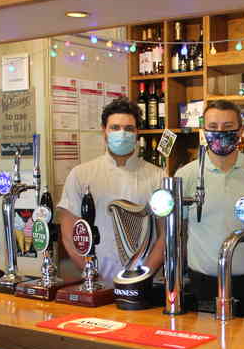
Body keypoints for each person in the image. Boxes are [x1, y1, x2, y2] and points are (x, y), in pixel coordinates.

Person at [175, 99, 244, 316]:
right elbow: (179, 231)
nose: (220, 133)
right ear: (203, 130)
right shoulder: (186, 175)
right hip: (201, 285)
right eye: (213, 128)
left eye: (228, 127)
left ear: (241, 131)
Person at [57, 98, 165, 283]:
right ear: (104, 131)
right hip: (97, 284)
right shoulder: (81, 175)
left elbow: (166, 235)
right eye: (115, 128)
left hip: (144, 285)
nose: (122, 134)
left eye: (129, 129)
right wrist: (93, 276)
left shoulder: (158, 177)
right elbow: (69, 234)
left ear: (137, 132)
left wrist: (144, 275)